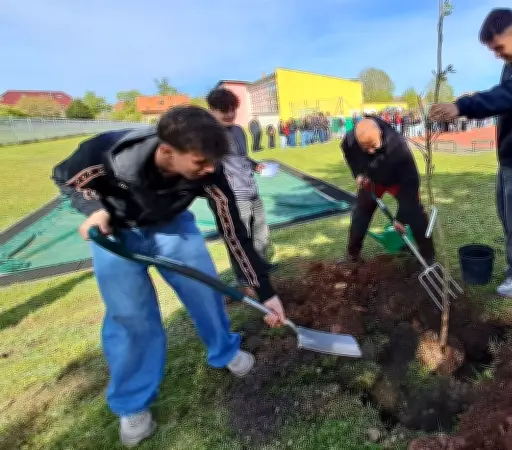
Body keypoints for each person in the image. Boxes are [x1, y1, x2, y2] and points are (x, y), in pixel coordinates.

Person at [51, 105, 287, 447]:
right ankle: (132, 403)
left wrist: (265, 291)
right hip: (116, 234)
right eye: (200, 163)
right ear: (166, 151)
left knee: (206, 290)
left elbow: (234, 231)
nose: (209, 170)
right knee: (130, 315)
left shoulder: (210, 169)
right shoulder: (105, 154)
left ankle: (223, 350)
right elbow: (65, 178)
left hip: (173, 227)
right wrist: (95, 210)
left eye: (213, 163)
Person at [430, 8, 512, 297]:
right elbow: (502, 93)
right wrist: (470, 99)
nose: (497, 54)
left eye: (498, 47)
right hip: (511, 154)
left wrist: (463, 107)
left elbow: (511, 96)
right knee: (509, 215)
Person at [339, 116, 435, 264]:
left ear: (380, 134)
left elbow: (411, 183)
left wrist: (401, 218)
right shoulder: (351, 139)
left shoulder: (398, 147)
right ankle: (352, 255)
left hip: (397, 180)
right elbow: (348, 153)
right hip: (372, 179)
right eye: (366, 148)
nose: (371, 151)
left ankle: (427, 257)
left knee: (415, 212)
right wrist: (358, 173)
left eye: (374, 147)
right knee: (361, 213)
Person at [207, 89, 275, 277]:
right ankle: (244, 278)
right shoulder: (208, 136)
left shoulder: (238, 130)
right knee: (239, 238)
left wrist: (256, 165)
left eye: (232, 110)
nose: (230, 114)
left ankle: (259, 265)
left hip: (252, 190)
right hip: (233, 196)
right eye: (224, 110)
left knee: (261, 232)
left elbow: (242, 157)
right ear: (212, 110)